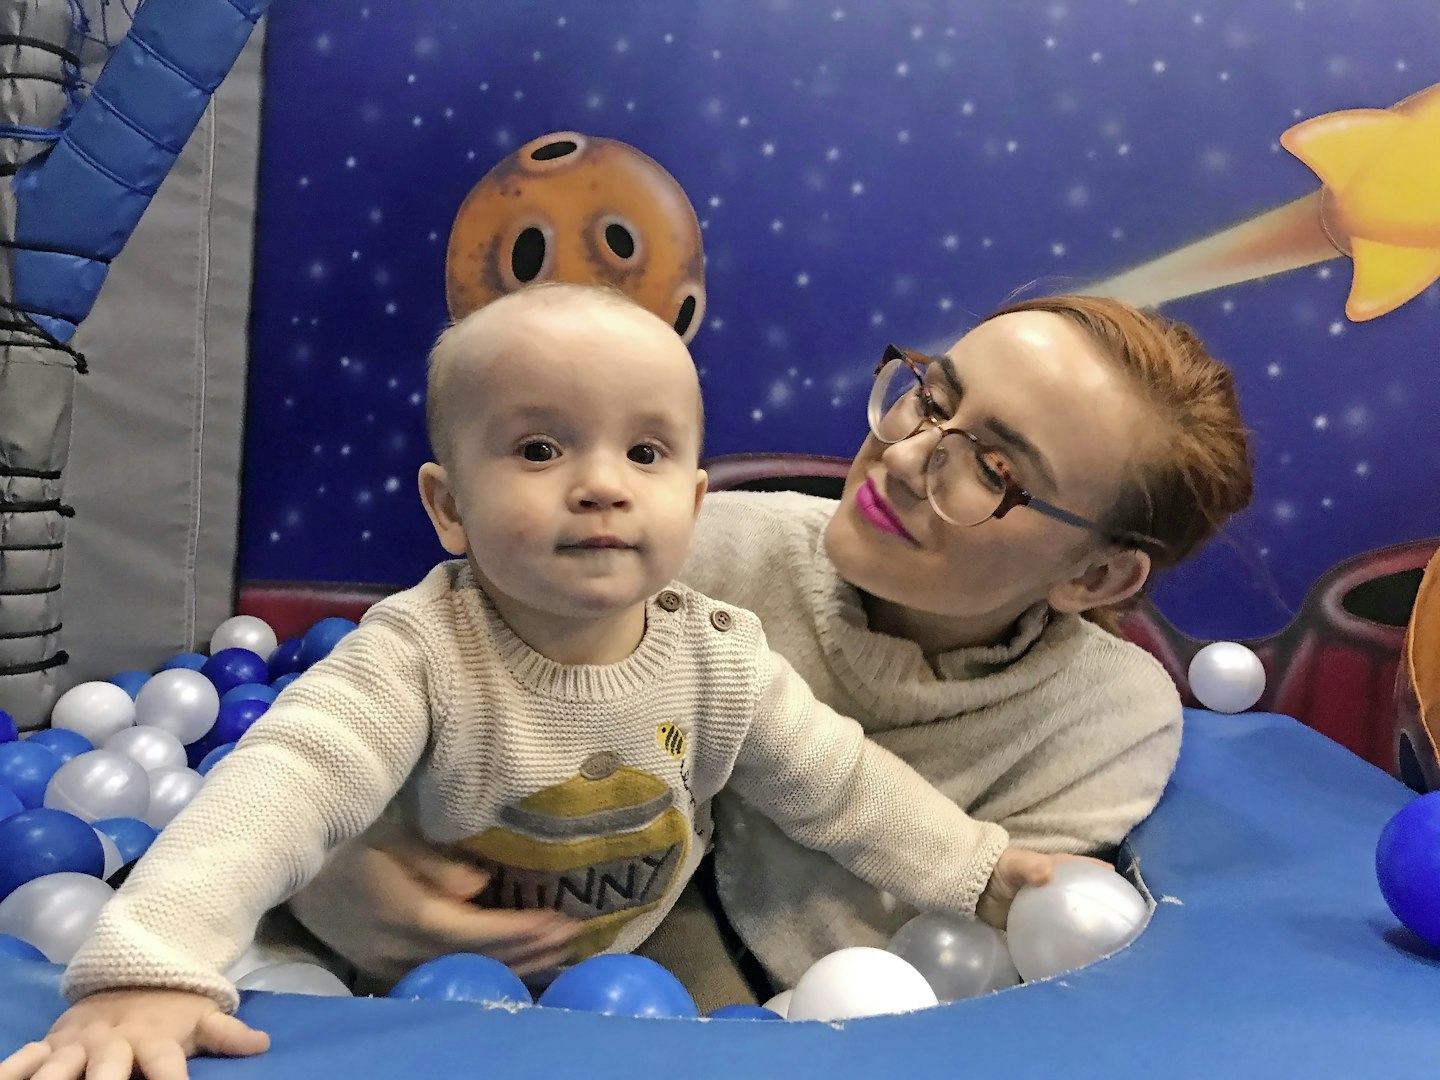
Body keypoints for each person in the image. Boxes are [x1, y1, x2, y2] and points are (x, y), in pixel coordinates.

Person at [0, 283, 1100, 1080]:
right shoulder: (419, 655)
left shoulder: (720, 659)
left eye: (646, 453)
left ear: (695, 500)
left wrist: (980, 871)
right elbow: (279, 787)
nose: (601, 486)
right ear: (449, 508)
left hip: (622, 968)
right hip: (388, 971)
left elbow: (842, 786)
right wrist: (150, 967)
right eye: (538, 450)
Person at [283, 294, 1255, 1005]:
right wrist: (333, 874)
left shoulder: (1104, 719)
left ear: (1098, 577)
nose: (902, 457)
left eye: (992, 468)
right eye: (929, 397)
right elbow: (417, 698)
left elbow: (976, 966)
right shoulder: (702, 556)